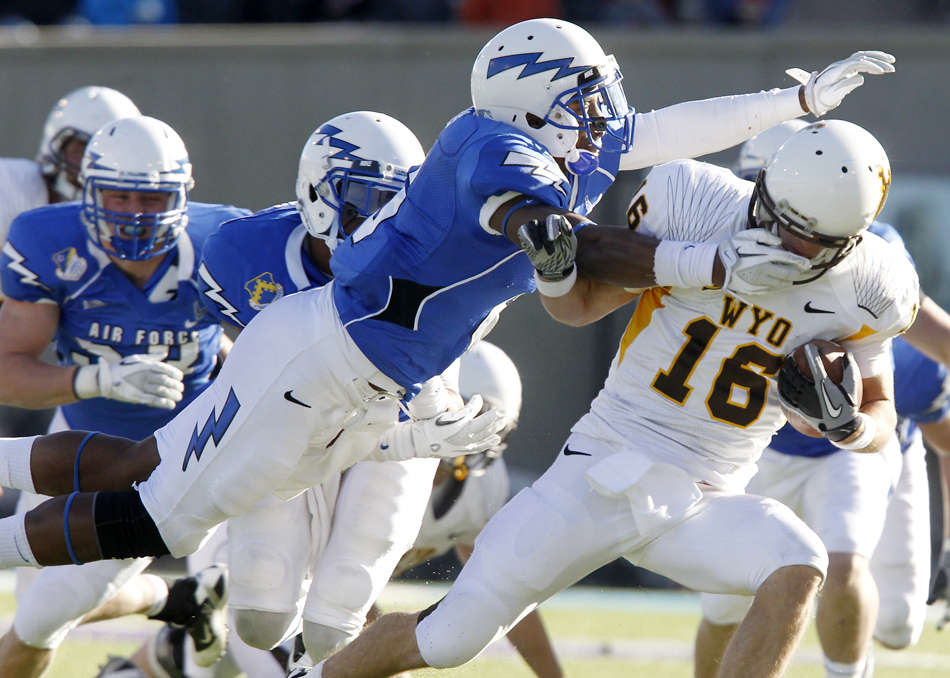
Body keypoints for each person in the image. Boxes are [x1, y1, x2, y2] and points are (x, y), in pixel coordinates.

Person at [0, 19, 895, 650]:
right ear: (535, 100)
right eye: (584, 93)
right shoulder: (493, 150)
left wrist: (795, 100)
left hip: (355, 373)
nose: (604, 108)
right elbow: (562, 236)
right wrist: (713, 266)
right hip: (324, 359)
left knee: (150, 466)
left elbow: (657, 133)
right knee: (159, 513)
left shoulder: (549, 142)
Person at [306, 118, 917, 678]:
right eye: (779, 219)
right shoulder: (699, 206)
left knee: (797, 563)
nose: (787, 242)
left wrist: (849, 428)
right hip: (602, 466)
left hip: (706, 496)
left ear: (851, 240)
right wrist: (558, 270)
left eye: (809, 238)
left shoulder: (871, 288)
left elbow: (880, 408)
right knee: (447, 639)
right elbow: (578, 307)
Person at [693, 122, 950, 678]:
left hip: (849, 446)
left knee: (878, 598)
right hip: (755, 442)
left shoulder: (874, 261)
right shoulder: (719, 236)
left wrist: (861, 425)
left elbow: (934, 343)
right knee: (723, 602)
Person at [0, 114, 250, 678]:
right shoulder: (47, 240)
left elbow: (273, 343)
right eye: (120, 194)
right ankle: (179, 600)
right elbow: (7, 370)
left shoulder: (224, 243)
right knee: (40, 597)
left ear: (182, 196)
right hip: (77, 440)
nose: (135, 214)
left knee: (44, 615)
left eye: (152, 198)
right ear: (88, 191)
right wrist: (95, 379)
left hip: (170, 465)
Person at [198, 111, 441, 671]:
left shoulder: (429, 259)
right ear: (317, 192)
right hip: (291, 420)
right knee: (260, 613)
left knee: (338, 614)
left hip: (394, 412)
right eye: (365, 197)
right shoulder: (243, 254)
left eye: (396, 202)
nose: (380, 219)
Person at [0, 85, 141, 440]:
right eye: (84, 150)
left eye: (106, 152)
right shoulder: (11, 192)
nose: (95, 165)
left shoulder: (135, 219)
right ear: (56, 148)